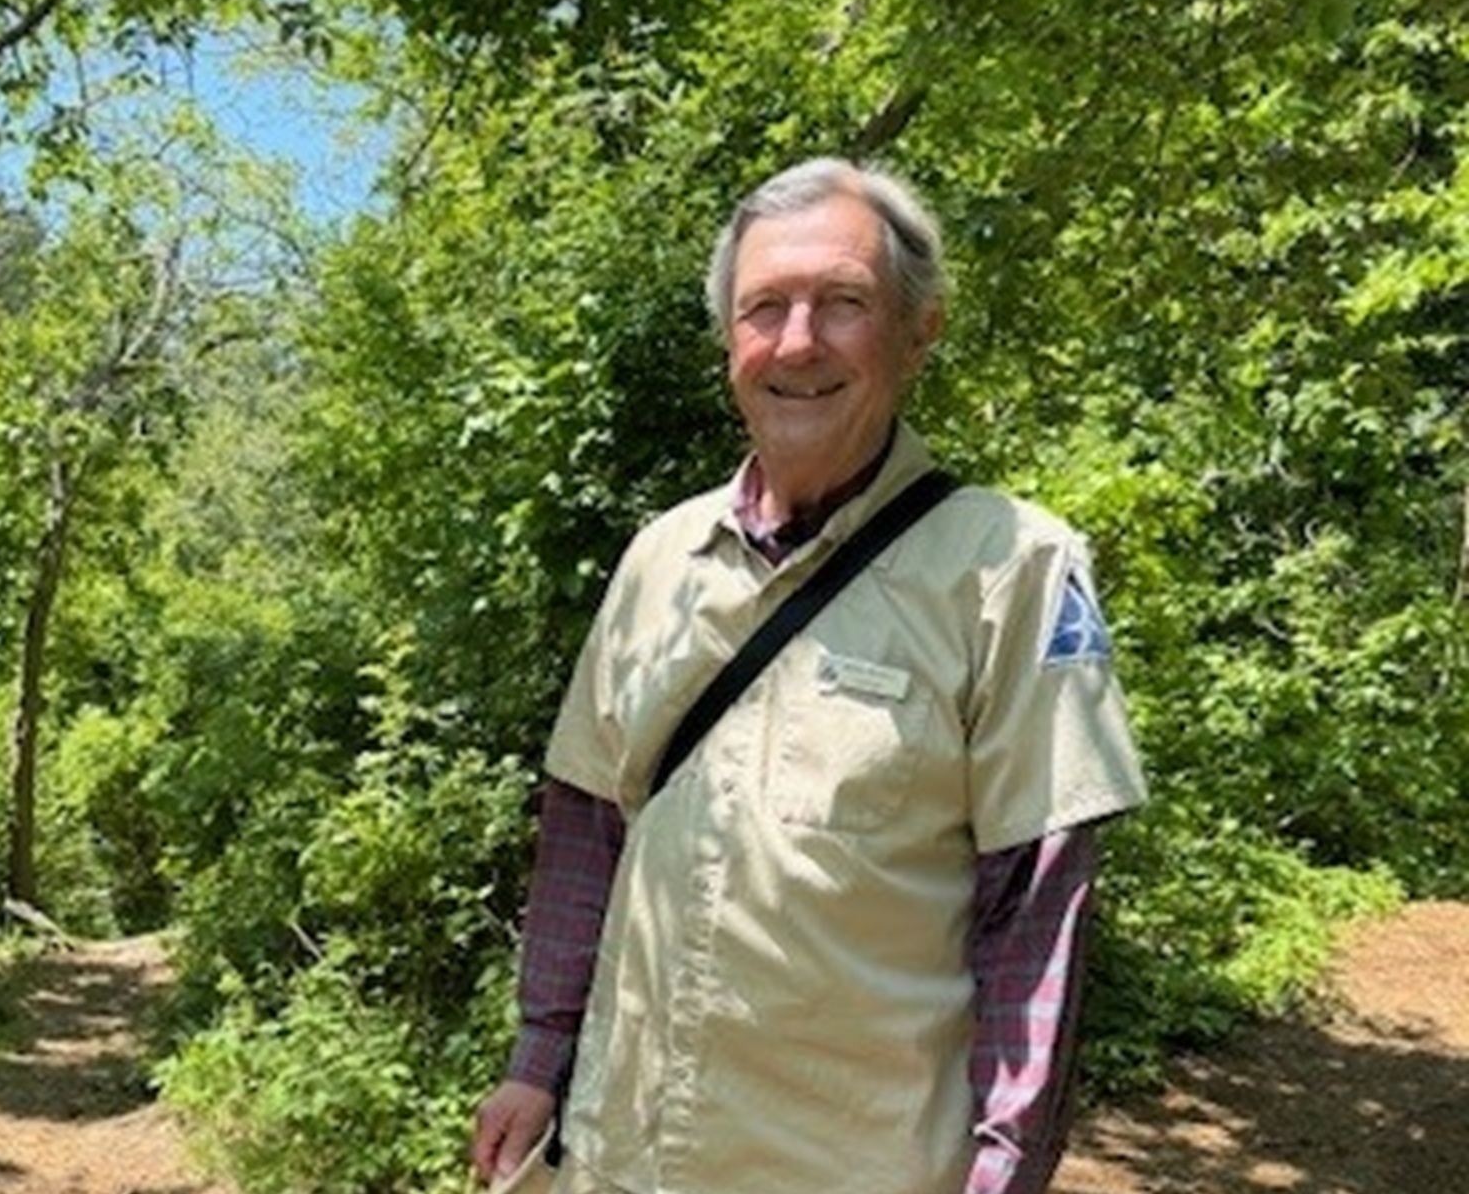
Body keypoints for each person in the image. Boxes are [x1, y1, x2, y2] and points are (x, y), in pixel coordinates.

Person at [469, 156, 1148, 1194]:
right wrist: (536, 1060)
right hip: (622, 1154)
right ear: (729, 340)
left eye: (844, 305)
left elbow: (1036, 906)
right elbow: (586, 830)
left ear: (920, 331)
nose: (797, 343)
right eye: (765, 308)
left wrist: (1004, 1170)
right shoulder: (659, 557)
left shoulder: (1012, 567)